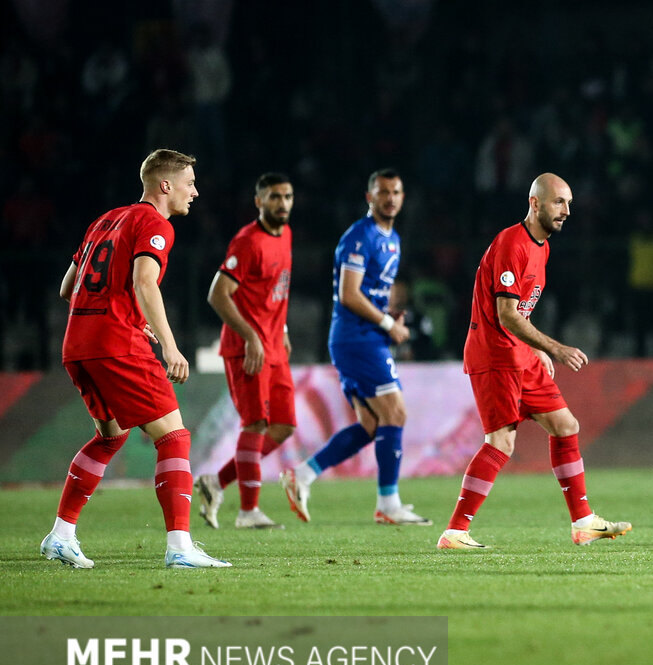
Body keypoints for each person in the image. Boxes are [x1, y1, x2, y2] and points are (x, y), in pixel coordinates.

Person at [40, 148, 230, 569]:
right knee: (174, 437)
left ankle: (61, 535)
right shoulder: (154, 223)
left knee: (111, 436)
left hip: (78, 343)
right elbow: (145, 281)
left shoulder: (105, 220)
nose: (194, 192)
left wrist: (122, 313)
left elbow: (68, 288)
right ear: (165, 186)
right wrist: (169, 343)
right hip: (114, 344)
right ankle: (180, 547)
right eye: (189, 183)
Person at [437, 173, 631, 550]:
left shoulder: (541, 247)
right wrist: (556, 348)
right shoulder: (513, 243)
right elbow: (507, 314)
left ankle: (583, 522)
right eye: (560, 202)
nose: (567, 211)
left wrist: (537, 348)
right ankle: (456, 531)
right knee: (501, 442)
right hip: (495, 354)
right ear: (535, 203)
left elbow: (520, 313)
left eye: (570, 203)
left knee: (565, 425)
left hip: (519, 354)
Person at [279, 169, 429, 525]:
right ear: (369, 197)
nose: (390, 198)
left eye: (396, 192)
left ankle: (302, 474)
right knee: (396, 414)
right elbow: (348, 294)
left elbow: (370, 294)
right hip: (356, 339)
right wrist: (388, 323)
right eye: (383, 192)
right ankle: (388, 504)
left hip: (367, 336)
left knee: (372, 425)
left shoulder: (392, 238)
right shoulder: (359, 237)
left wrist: (388, 315)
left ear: (403, 198)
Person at [195, 173, 296, 530]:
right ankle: (247, 511)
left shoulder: (286, 235)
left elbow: (272, 290)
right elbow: (217, 294)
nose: (282, 203)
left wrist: (280, 328)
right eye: (273, 197)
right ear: (259, 202)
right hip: (247, 348)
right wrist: (251, 336)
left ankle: (215, 482)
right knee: (255, 424)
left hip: (273, 345)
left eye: (286, 197)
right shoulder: (247, 242)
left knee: (282, 426)